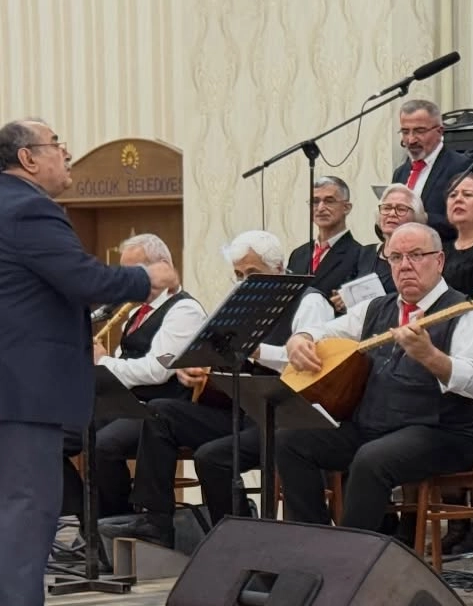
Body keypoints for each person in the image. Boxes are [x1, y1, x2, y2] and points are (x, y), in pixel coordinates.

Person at [0, 118, 178, 606]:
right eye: (56, 146)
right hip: (23, 392)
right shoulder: (29, 210)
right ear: (28, 159)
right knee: (25, 514)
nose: (66, 154)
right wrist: (147, 278)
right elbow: (84, 280)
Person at [100, 231, 334, 545]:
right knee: (160, 412)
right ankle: (156, 520)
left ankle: (238, 540)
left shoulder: (310, 301)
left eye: (252, 273)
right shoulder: (244, 304)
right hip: (242, 410)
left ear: (278, 268)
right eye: (239, 275)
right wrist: (197, 371)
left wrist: (255, 350)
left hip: (288, 417)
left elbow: (310, 362)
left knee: (212, 457)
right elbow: (221, 361)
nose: (245, 282)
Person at [277, 223, 473, 531]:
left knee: (371, 459)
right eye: (396, 258)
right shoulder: (376, 307)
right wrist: (301, 336)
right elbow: (325, 330)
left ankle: (352, 557)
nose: (405, 266)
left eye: (416, 255)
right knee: (291, 439)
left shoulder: (467, 314)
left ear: (439, 261)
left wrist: (430, 356)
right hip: (375, 427)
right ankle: (316, 539)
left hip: (442, 432)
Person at [88, 233, 207, 520]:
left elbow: (157, 369)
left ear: (163, 266)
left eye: (136, 272)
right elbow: (123, 363)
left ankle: (115, 522)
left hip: (158, 411)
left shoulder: (184, 310)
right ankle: (87, 520)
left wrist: (103, 361)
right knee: (60, 435)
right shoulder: (135, 313)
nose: (129, 281)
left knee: (103, 446)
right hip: (125, 405)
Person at [390, 99, 473, 240]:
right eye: (405, 132)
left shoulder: (462, 166)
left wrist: (423, 218)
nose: (411, 140)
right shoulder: (400, 173)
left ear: (440, 132)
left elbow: (468, 223)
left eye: (419, 131)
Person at [334, 184, 428, 308]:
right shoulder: (363, 253)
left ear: (416, 218)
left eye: (401, 209)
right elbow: (344, 292)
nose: (392, 214)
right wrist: (343, 299)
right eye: (387, 208)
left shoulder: (422, 258)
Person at [287, 176, 361, 300]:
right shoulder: (298, 254)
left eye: (329, 201)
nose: (320, 208)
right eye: (315, 201)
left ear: (346, 208)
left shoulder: (359, 255)